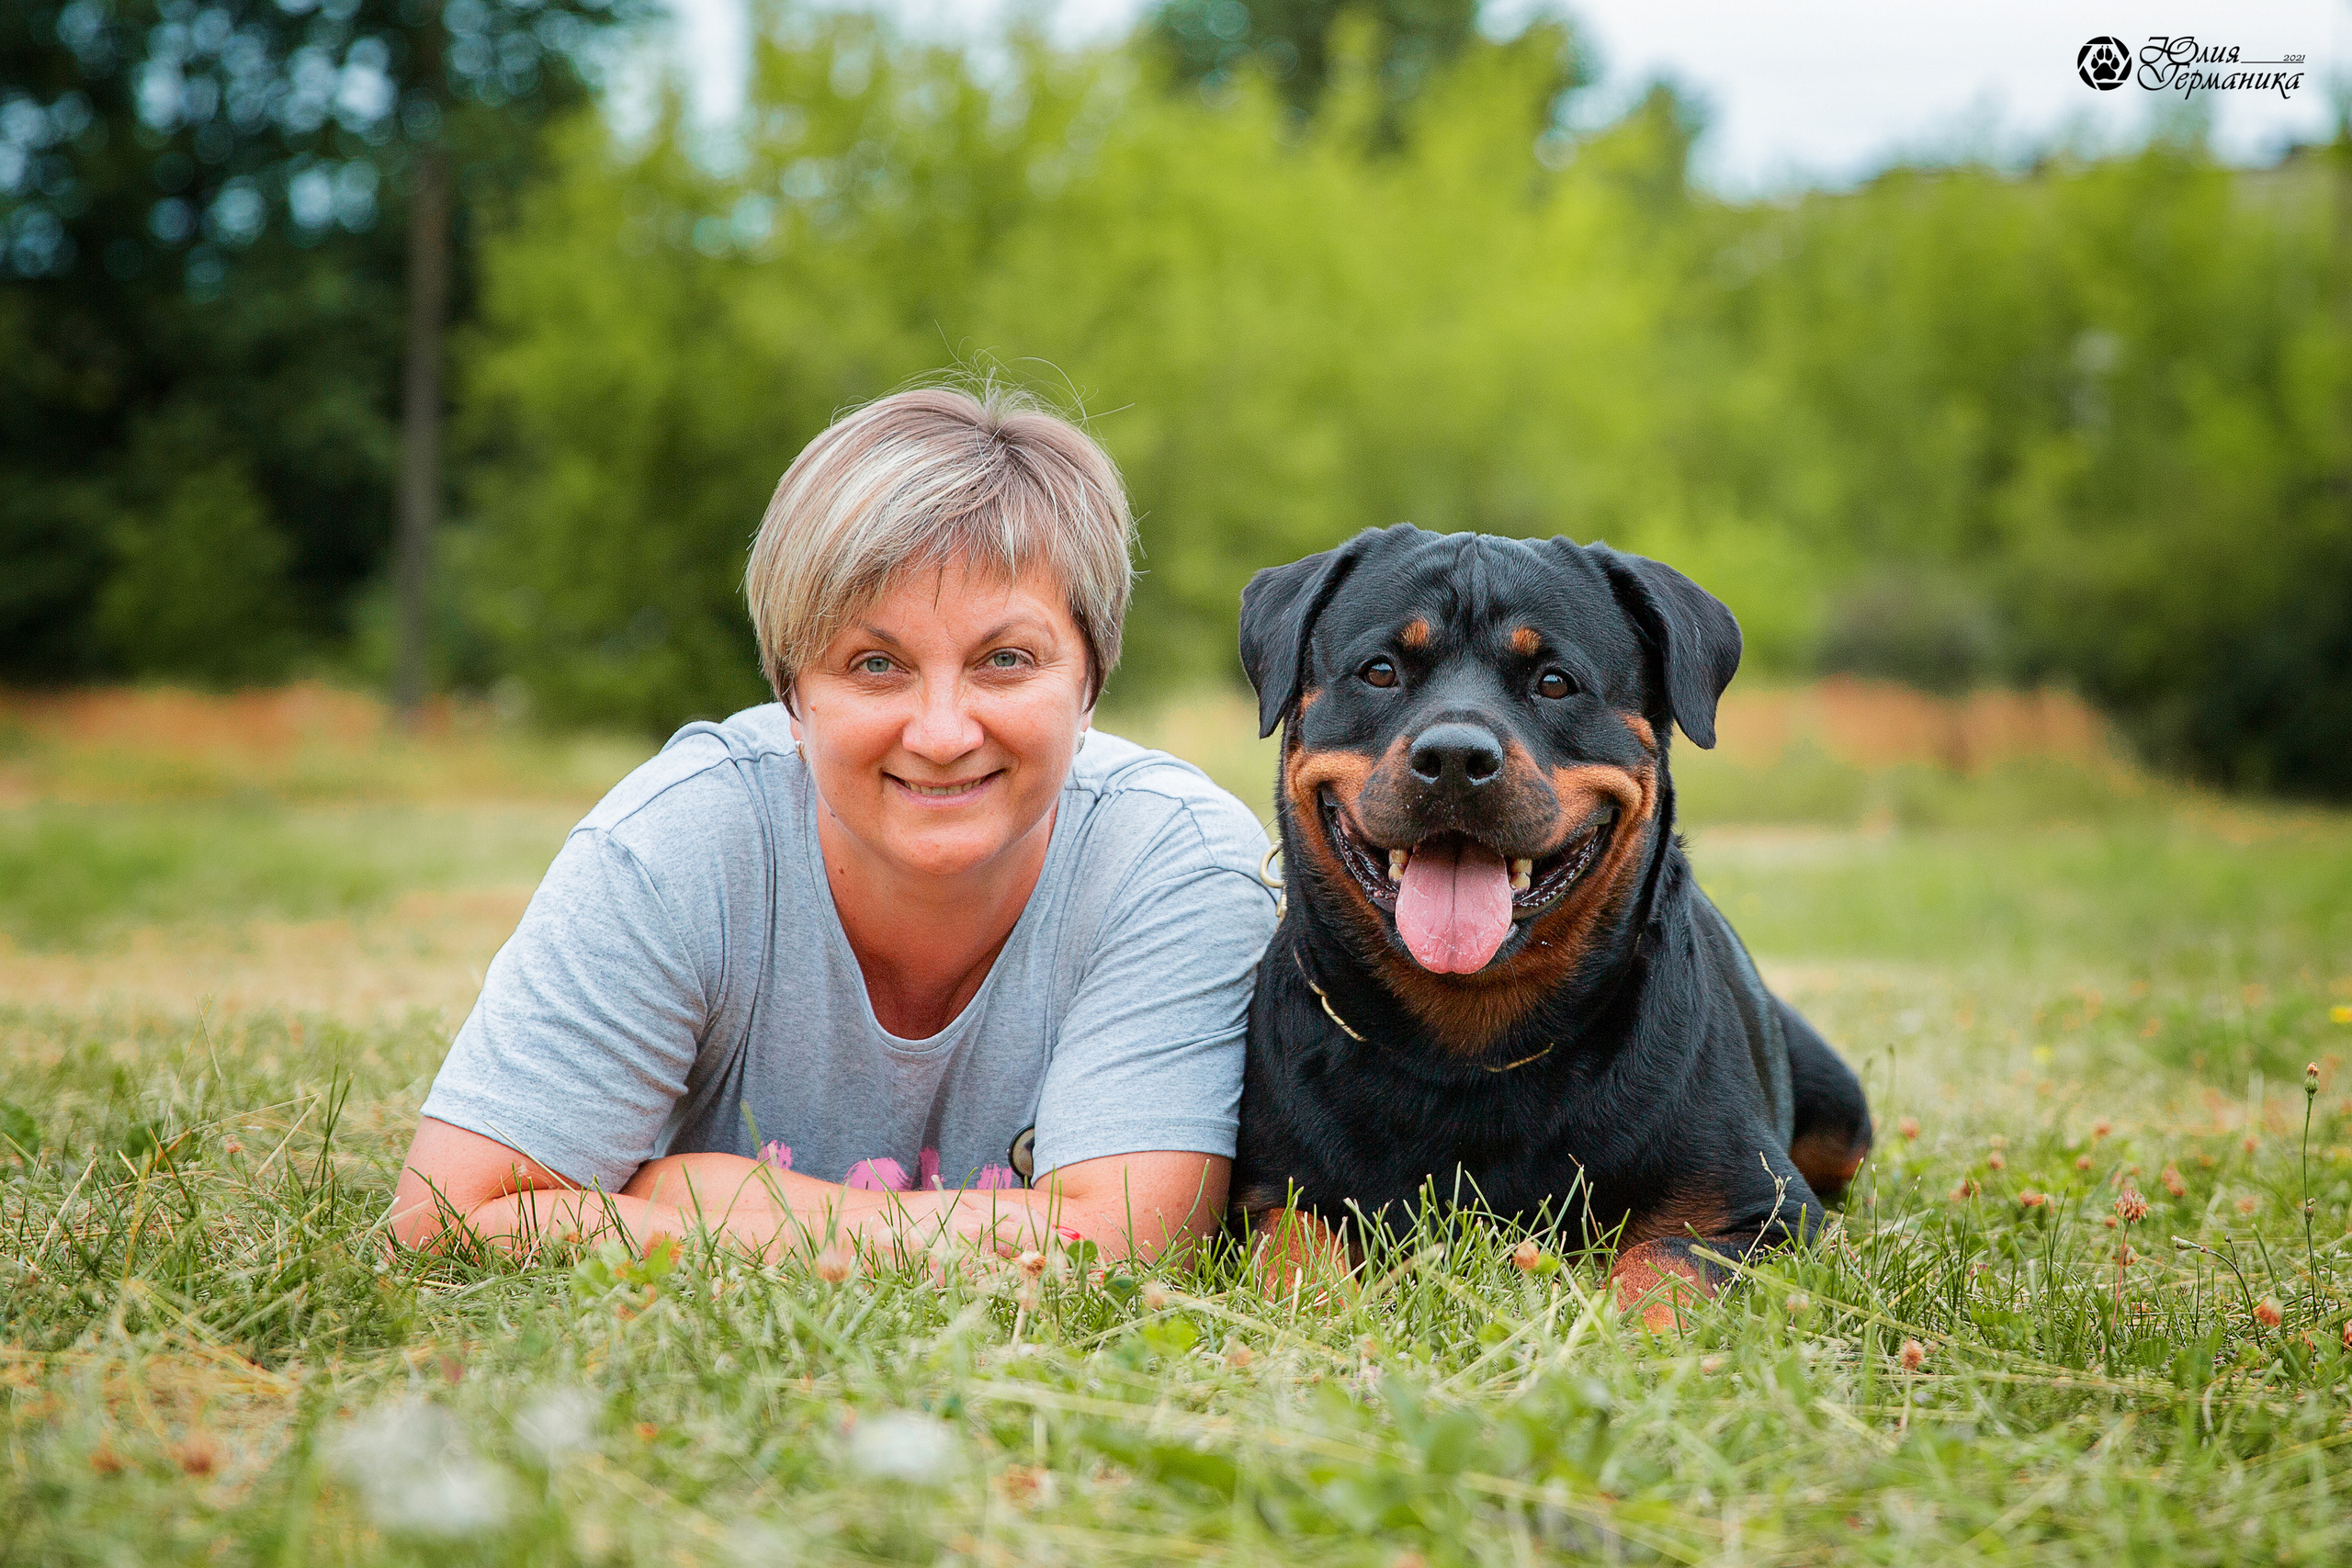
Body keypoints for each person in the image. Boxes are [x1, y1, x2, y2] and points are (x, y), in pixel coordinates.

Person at [388, 385, 1277, 1267]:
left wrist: (722, 1202)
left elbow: (1126, 1243)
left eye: (1005, 660)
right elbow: (447, 1216)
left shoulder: (1174, 862)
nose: (940, 733)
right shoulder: (679, 844)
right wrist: (998, 1237)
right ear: (792, 696)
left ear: (1088, 687)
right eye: (874, 663)